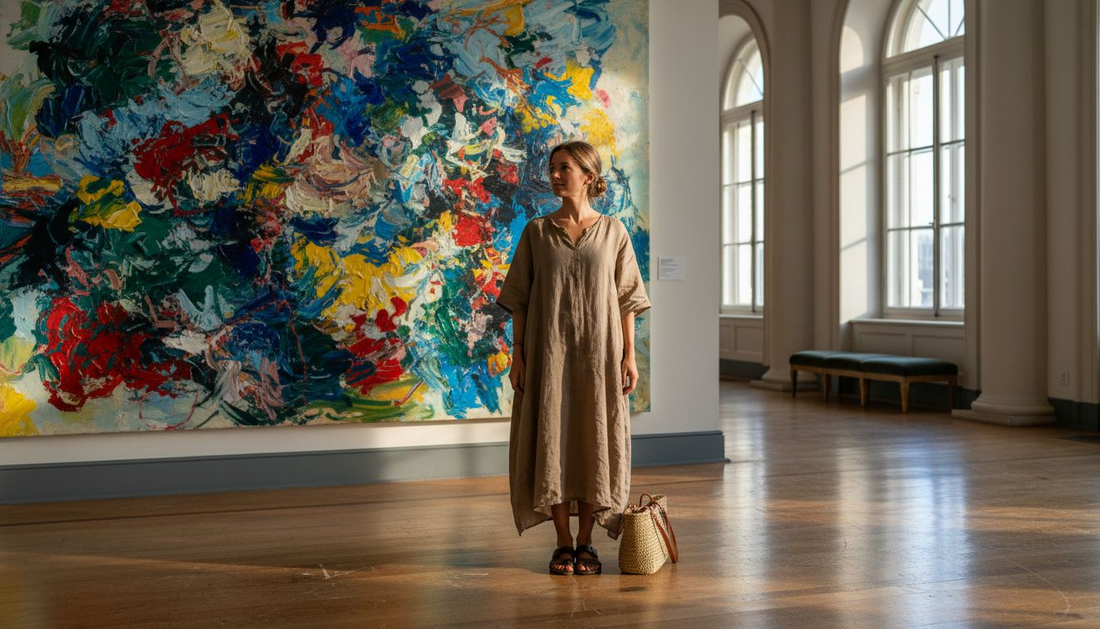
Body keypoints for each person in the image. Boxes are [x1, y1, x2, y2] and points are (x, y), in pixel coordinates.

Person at [495, 140, 651, 575]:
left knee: (593, 441)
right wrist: (519, 355)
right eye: (552, 168)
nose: (556, 175)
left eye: (565, 167)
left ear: (588, 174)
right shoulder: (536, 232)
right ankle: (563, 541)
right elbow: (521, 301)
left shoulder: (614, 232)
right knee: (554, 442)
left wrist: (630, 356)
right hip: (550, 357)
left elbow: (627, 301)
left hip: (600, 358)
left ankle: (587, 543)